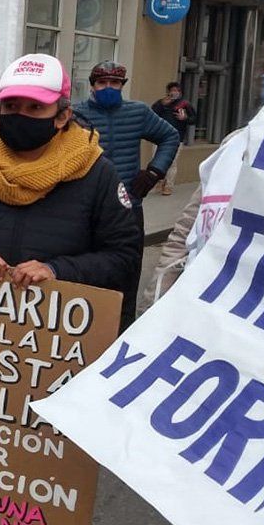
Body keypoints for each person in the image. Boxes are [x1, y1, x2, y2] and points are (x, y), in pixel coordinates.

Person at [0, 54, 141, 525]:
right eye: (11, 106)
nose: (20, 116)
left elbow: (123, 256)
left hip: (57, 357)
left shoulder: (97, 175)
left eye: (35, 107)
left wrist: (58, 271)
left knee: (43, 487)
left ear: (63, 114)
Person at [73, 60, 180, 330]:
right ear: (92, 85)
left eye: (115, 83)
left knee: (127, 272)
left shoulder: (138, 112)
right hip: (86, 208)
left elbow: (170, 136)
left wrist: (155, 172)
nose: (108, 87)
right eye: (102, 82)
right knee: (84, 272)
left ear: (122, 85)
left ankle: (123, 331)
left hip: (128, 206)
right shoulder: (75, 115)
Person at [151, 81, 197, 195]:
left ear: (180, 92)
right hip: (159, 136)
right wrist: (161, 104)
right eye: (172, 90)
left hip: (176, 137)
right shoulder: (162, 102)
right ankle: (159, 182)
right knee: (156, 160)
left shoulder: (185, 104)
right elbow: (152, 113)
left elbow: (194, 119)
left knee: (172, 162)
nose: (174, 93)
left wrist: (185, 118)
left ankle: (168, 185)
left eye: (176, 90)